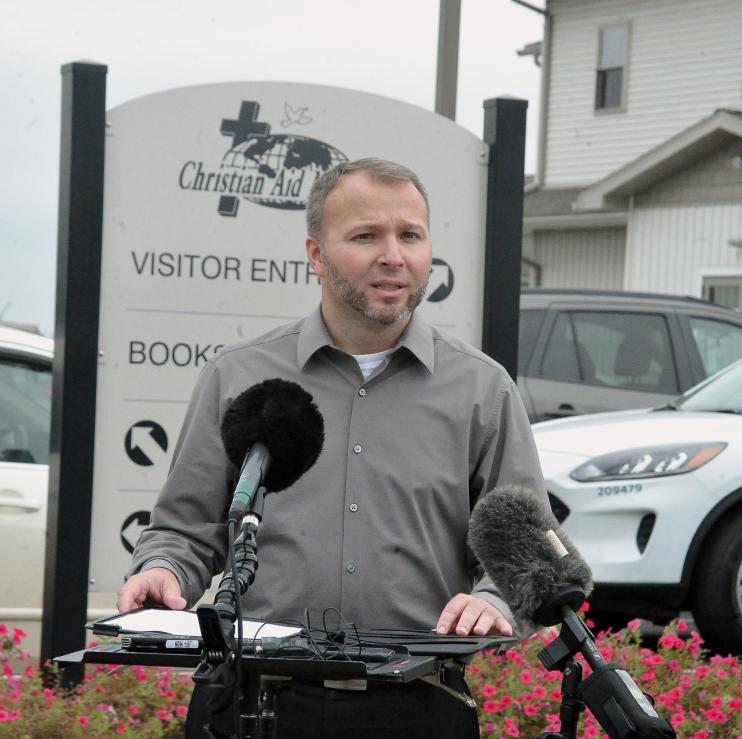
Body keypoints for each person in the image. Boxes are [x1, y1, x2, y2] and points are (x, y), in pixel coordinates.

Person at [116, 158, 546, 738]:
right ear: (316, 253)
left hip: (417, 707)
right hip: (252, 703)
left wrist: (496, 599)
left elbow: (528, 554)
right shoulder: (237, 377)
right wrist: (163, 568)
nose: (393, 255)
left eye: (410, 235)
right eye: (366, 235)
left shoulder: (483, 390)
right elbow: (184, 532)